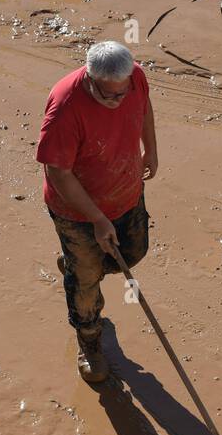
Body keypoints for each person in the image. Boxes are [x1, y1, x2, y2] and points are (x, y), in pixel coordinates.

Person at [36, 41, 157, 383]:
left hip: (126, 192)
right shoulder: (65, 106)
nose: (119, 101)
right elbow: (57, 172)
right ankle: (89, 341)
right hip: (77, 211)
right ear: (90, 79)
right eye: (110, 96)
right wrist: (98, 220)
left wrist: (151, 150)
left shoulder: (135, 78)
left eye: (124, 92)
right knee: (87, 284)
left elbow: (144, 107)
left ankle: (75, 267)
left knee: (133, 252)